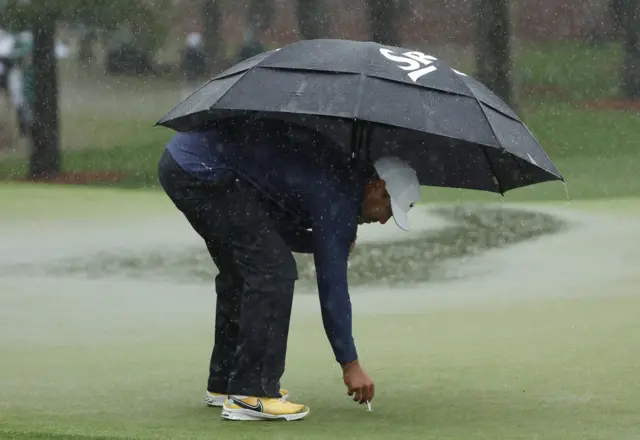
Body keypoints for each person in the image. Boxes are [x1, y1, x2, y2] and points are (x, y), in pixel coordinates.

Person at [157, 117, 421, 421]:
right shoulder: (339, 195)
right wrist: (350, 364)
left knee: (242, 273)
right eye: (389, 210)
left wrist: (322, 242)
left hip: (185, 162)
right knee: (273, 271)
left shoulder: (339, 178)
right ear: (377, 188)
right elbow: (333, 289)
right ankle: (250, 393)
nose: (385, 221)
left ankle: (225, 384)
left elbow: (270, 223)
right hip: (202, 171)